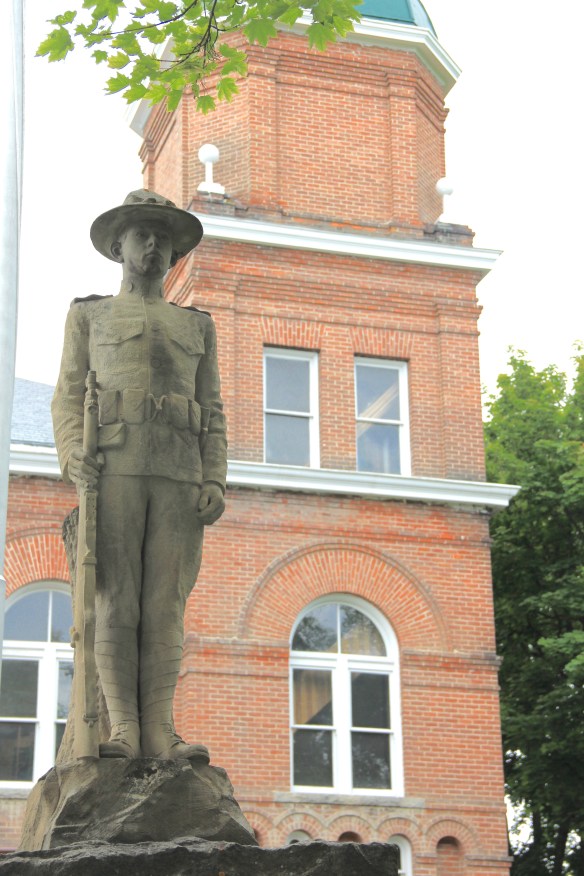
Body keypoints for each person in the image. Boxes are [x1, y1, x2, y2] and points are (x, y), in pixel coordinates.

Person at [52, 190, 227, 760]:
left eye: (162, 237)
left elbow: (213, 408)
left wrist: (215, 478)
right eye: (141, 234)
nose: (152, 245)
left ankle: (161, 731)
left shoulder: (197, 326)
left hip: (179, 473)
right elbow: (69, 394)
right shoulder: (90, 314)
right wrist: (74, 454)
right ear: (119, 245)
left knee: (165, 606)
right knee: (117, 600)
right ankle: (123, 728)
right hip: (115, 468)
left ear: (175, 252)